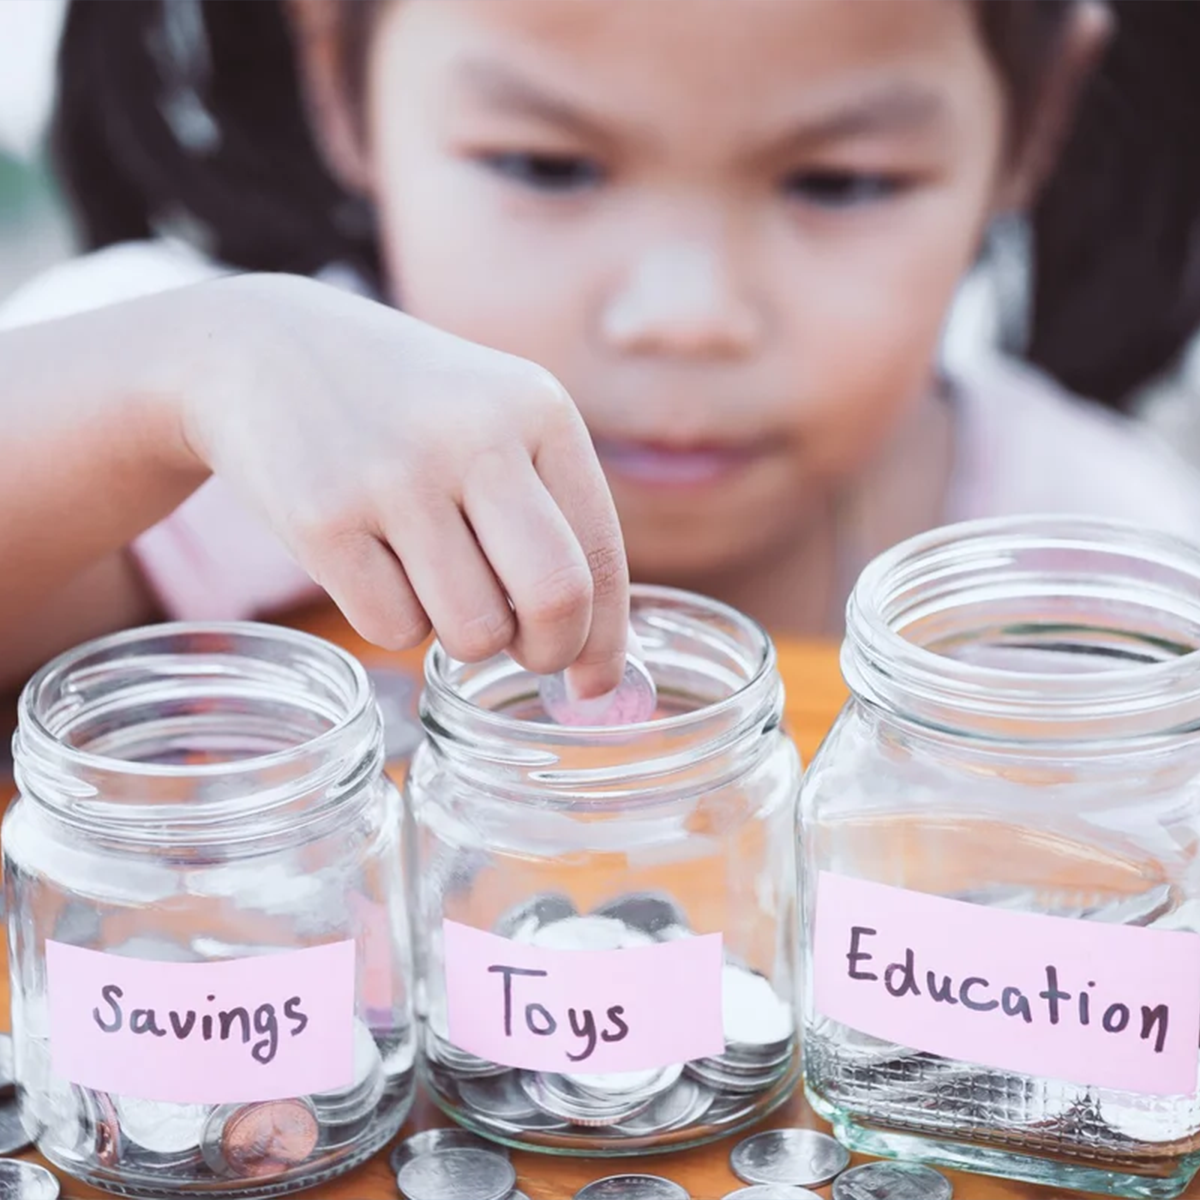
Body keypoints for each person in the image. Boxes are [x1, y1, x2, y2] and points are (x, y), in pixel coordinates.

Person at [3, 0, 1200, 696]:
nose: (684, 314)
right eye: (546, 165)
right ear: (336, 77)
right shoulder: (198, 430)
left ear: (1034, 122)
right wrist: (188, 367)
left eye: (841, 181)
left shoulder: (1095, 560)